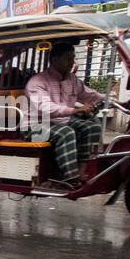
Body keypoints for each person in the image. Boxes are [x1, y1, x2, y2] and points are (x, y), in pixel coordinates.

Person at [24, 41, 104, 184]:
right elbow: (46, 108)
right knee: (66, 133)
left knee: (92, 127)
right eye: (68, 58)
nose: (72, 62)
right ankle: (70, 178)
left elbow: (89, 94)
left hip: (61, 121)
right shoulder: (37, 82)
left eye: (73, 58)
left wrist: (118, 102)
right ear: (55, 60)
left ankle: (81, 171)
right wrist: (75, 110)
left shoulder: (71, 79)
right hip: (34, 126)